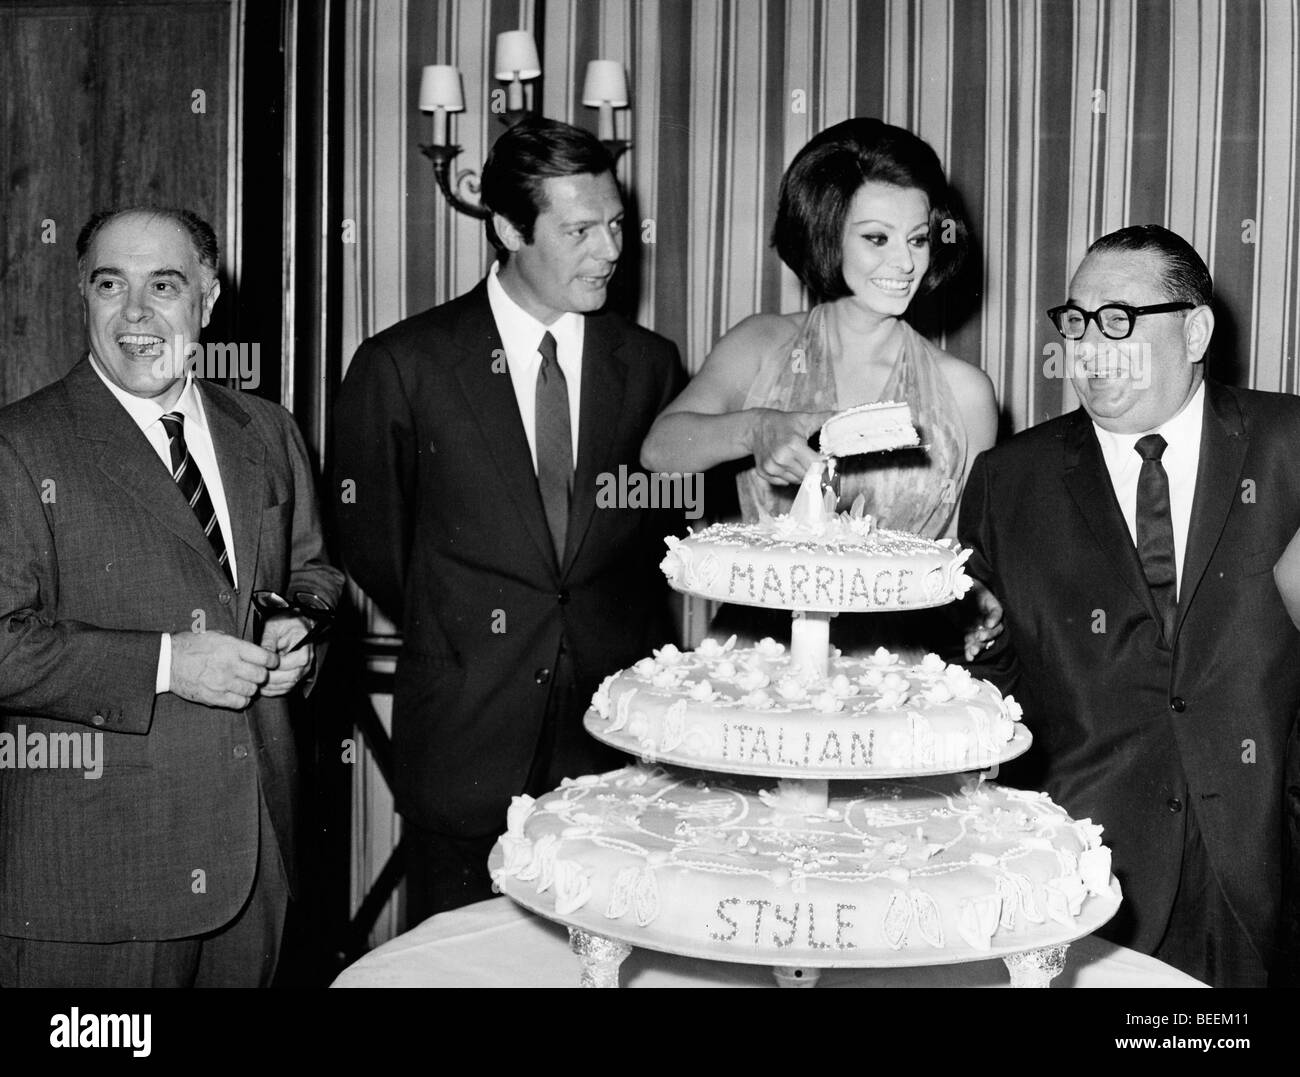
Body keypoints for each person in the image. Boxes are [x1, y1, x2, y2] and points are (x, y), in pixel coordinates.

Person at [332, 116, 686, 923]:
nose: (612, 249)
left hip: (613, 751)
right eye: (580, 230)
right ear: (507, 229)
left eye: (617, 224)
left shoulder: (651, 365)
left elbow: (660, 537)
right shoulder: (404, 364)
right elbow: (371, 542)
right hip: (466, 742)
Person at [0, 207, 344, 987]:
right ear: (81, 295)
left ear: (208, 301)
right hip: (99, 883)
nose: (135, 314)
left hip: (259, 861)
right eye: (110, 285)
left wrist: (300, 628)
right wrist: (164, 663)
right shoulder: (20, 446)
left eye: (164, 285)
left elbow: (316, 573)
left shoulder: (267, 431)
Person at [960, 223, 1300, 987]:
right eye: (1076, 322)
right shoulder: (1010, 481)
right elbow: (990, 701)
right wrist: (976, 639)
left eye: (1119, 320)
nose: (1088, 347)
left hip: (1264, 871)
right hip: (1087, 880)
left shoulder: (1291, 447)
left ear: (1197, 329)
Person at [641, 117, 998, 657]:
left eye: (918, 239)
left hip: (897, 668)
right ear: (826, 232)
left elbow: (973, 553)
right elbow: (658, 453)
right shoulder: (761, 344)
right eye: (876, 238)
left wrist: (983, 602)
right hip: (760, 661)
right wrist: (755, 428)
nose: (904, 262)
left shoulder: (965, 391)